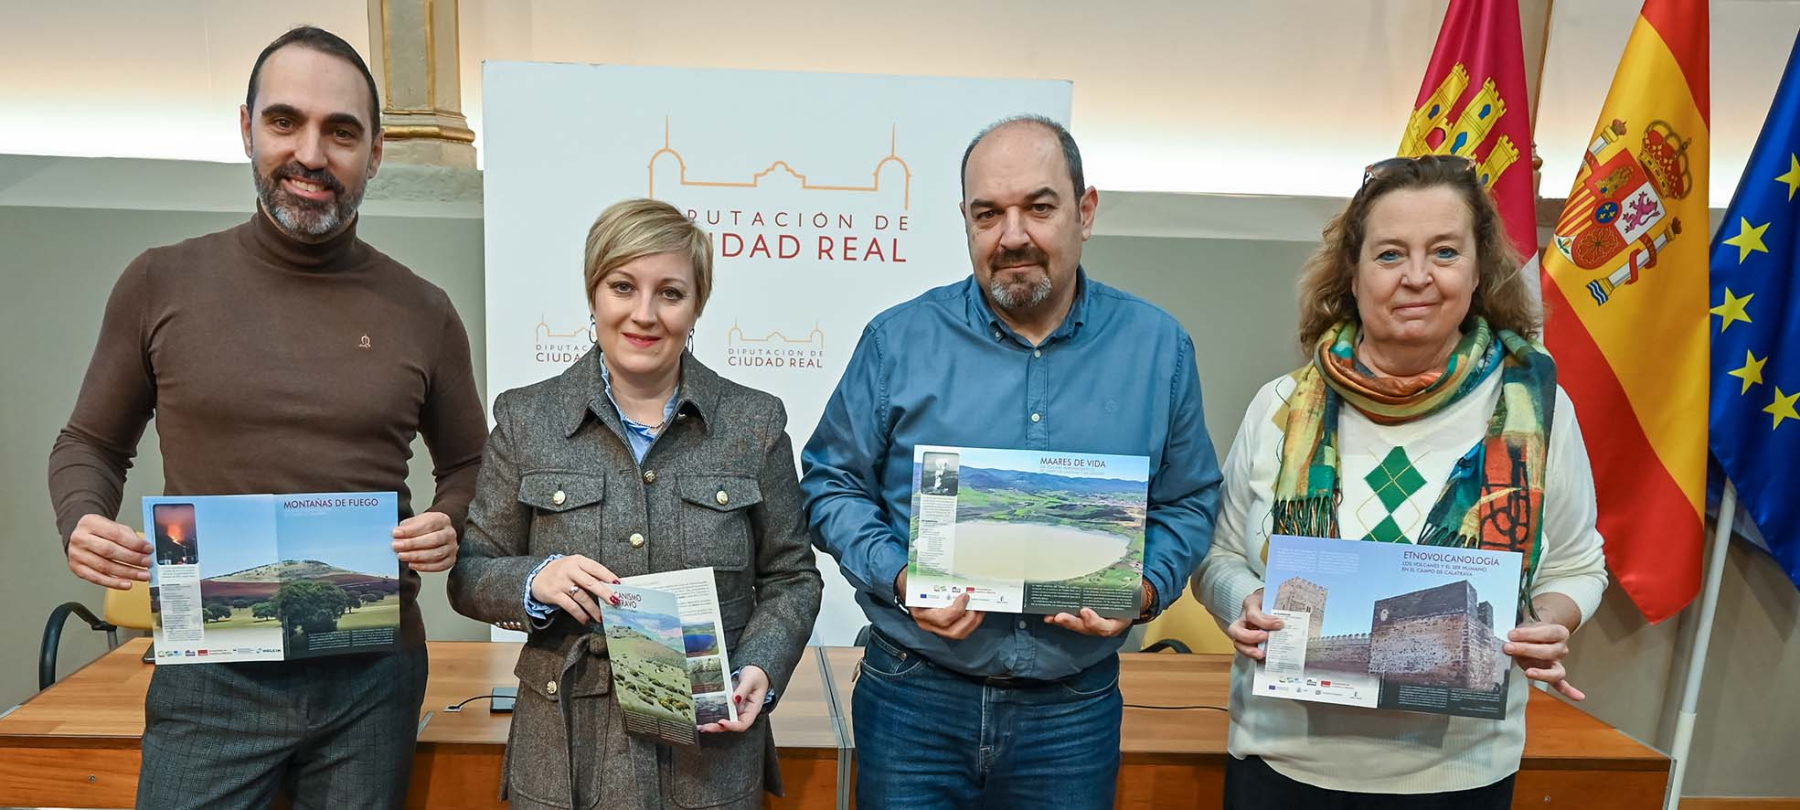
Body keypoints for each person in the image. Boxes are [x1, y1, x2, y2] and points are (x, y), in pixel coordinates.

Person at [46, 26, 486, 809]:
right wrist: (82, 516)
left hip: (372, 678)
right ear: (247, 128)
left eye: (341, 131)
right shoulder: (159, 282)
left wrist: (448, 519)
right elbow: (89, 442)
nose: (311, 154)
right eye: (286, 121)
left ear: (375, 153)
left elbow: (471, 463)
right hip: (209, 671)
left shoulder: (424, 310)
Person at [801, 115, 1222, 809]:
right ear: (966, 221)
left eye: (1039, 207)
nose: (1013, 235)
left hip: (1072, 712)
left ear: (1086, 212)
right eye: (988, 214)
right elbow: (830, 485)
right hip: (914, 699)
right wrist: (903, 577)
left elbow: (1190, 500)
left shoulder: (1158, 349)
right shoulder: (898, 341)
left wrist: (1143, 592)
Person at [1192, 154, 1609, 808]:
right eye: (1390, 254)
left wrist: (1548, 623)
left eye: (1444, 252)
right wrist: (1241, 603)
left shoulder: (1536, 414)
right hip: (1283, 767)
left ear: (1478, 270)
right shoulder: (1280, 407)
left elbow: (1580, 565)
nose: (1417, 276)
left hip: (1459, 776)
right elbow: (1216, 556)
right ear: (1352, 274)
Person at [447, 198, 823, 810]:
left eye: (670, 293)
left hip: (709, 758)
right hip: (566, 755)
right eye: (623, 287)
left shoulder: (753, 423)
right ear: (593, 293)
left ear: (697, 305)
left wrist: (760, 667)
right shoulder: (524, 419)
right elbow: (469, 574)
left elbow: (792, 577)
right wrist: (536, 579)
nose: (644, 314)